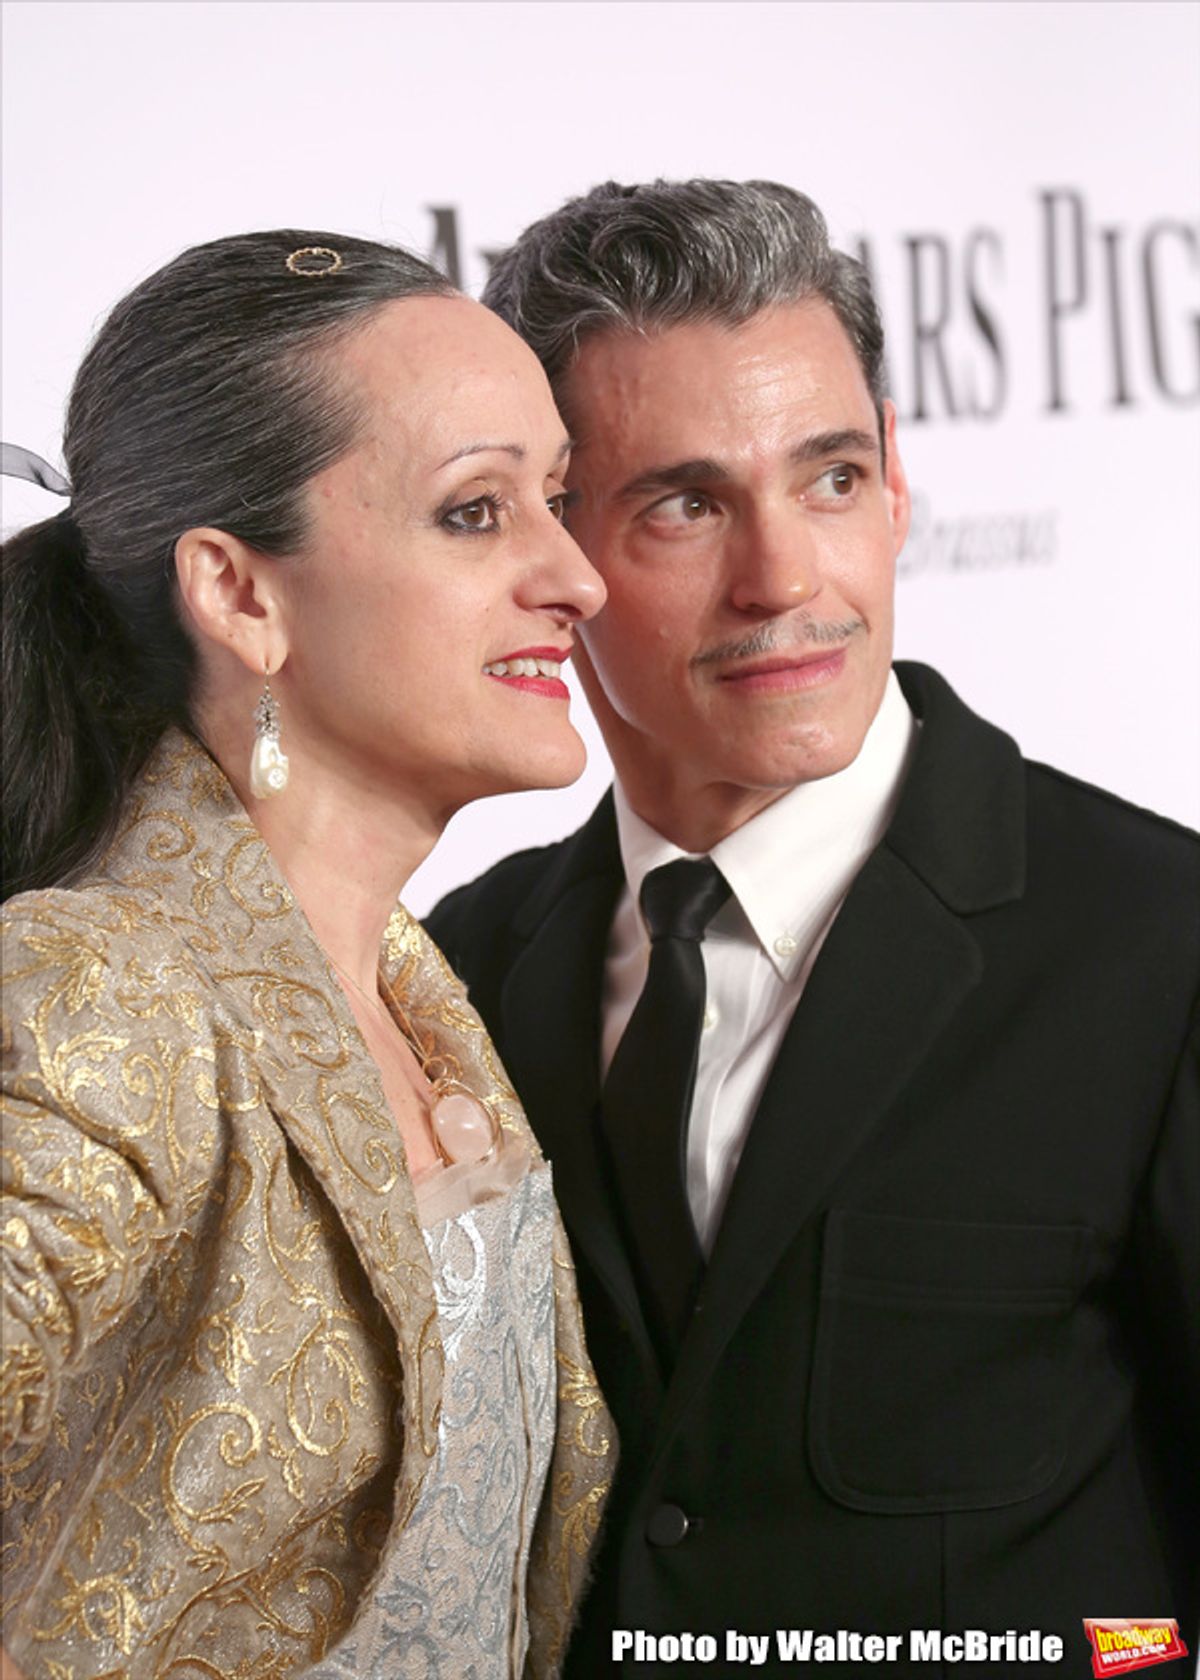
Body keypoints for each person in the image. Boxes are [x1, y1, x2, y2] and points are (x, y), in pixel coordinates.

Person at [426, 180, 1200, 1677]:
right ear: (549, 544)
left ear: (897, 482)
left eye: (831, 479)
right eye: (687, 503)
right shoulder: (461, 969)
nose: (786, 580)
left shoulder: (1160, 951)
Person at [0, 228, 617, 1680]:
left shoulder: (422, 985)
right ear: (241, 595)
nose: (577, 576)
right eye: (477, 512)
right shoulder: (108, 983)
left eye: (560, 500)